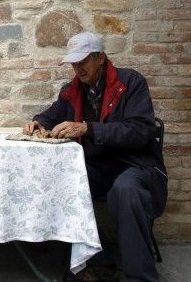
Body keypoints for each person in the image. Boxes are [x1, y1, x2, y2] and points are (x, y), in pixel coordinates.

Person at [24, 31, 168, 282]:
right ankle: (96, 262)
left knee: (126, 191)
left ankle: (141, 277)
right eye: (74, 63)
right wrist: (37, 122)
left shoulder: (131, 82)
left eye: (83, 61)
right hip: (98, 166)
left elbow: (141, 130)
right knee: (61, 182)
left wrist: (88, 128)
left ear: (100, 57)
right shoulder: (72, 90)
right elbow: (52, 114)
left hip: (136, 164)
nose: (78, 68)